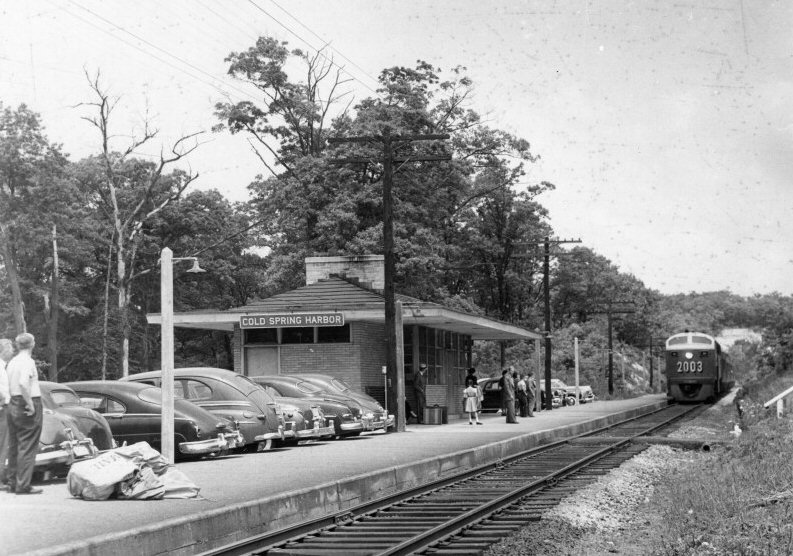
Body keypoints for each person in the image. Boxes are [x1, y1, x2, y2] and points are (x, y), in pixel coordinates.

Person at [6, 332, 43, 495]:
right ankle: (23, 484)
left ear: (18, 345)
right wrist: (30, 405)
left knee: (14, 445)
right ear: (32, 344)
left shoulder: (12, 362)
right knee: (27, 445)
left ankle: (13, 482)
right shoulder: (28, 361)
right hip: (27, 401)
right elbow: (23, 383)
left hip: (13, 402)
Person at [0, 339, 13, 489]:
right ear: (3, 350)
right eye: (10, 348)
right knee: (3, 444)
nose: (12, 351)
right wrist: (3, 401)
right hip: (3, 409)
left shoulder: (3, 367)